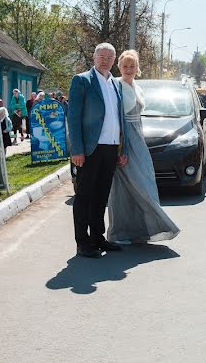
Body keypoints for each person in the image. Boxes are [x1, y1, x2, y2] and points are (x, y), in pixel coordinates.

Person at [105, 49, 179, 244]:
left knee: (144, 183)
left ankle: (139, 231)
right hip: (125, 140)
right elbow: (115, 119)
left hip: (139, 140)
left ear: (138, 68)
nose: (128, 69)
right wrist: (120, 149)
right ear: (119, 67)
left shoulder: (137, 87)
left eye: (132, 66)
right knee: (125, 185)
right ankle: (119, 232)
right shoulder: (116, 87)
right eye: (125, 66)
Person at [67, 43, 128, 258]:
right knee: (84, 196)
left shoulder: (115, 84)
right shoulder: (82, 80)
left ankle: (98, 238)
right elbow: (73, 118)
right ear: (94, 57)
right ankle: (82, 243)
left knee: (102, 195)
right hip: (90, 149)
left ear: (114, 61)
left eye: (109, 57)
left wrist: (122, 148)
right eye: (101, 56)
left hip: (111, 148)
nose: (105, 60)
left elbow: (120, 119)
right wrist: (77, 150)